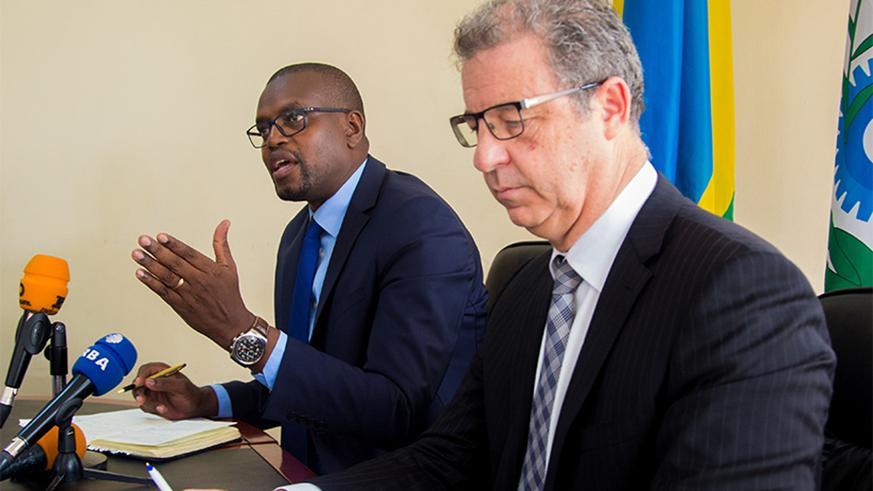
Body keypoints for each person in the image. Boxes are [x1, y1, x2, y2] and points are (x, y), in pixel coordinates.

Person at [297, 1, 836, 489]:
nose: (484, 157)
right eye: (477, 125)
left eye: (511, 119)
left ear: (610, 107)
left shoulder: (743, 292)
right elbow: (451, 458)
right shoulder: (526, 287)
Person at [129, 62, 488, 474]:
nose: (273, 139)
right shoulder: (299, 236)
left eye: (293, 119)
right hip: (300, 473)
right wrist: (206, 400)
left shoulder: (420, 226)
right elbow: (312, 385)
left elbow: (395, 409)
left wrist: (242, 331)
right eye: (263, 129)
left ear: (352, 127)